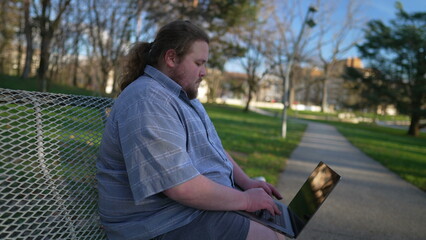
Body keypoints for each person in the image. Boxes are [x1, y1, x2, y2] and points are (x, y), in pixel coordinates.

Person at [96, 20, 285, 240]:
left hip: (188, 210)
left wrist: (246, 182)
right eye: (198, 63)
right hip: (160, 223)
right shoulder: (147, 100)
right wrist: (246, 200)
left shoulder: (182, 97)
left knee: (279, 225)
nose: (204, 72)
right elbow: (181, 187)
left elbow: (213, 150)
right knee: (274, 237)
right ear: (171, 58)